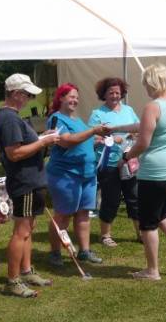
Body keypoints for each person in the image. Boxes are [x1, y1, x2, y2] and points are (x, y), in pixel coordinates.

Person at [115, 64, 166, 280]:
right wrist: (115, 129)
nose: (145, 88)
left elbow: (142, 142)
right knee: (162, 213)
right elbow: (143, 126)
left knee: (148, 222)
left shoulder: (153, 106)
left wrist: (126, 157)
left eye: (145, 84)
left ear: (151, 83)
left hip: (156, 173)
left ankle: (152, 270)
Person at [0, 73, 60, 298]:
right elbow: (14, 153)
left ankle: (26, 271)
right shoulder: (9, 119)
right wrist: (43, 142)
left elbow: (23, 144)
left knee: (28, 229)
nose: (30, 99)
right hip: (25, 181)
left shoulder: (12, 117)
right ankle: (13, 281)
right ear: (15, 94)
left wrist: (41, 137)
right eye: (27, 95)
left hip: (32, 180)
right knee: (21, 232)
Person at [45, 83, 109, 267]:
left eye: (77, 97)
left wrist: (98, 140)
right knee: (63, 215)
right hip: (66, 175)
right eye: (71, 97)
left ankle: (84, 251)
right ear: (61, 98)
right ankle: (55, 253)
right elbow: (67, 141)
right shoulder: (56, 119)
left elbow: (83, 141)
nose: (75, 100)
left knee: (83, 213)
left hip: (87, 174)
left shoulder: (78, 120)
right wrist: (93, 130)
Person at [88, 77, 140, 247]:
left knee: (134, 197)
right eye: (111, 93)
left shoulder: (129, 110)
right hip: (108, 164)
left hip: (128, 162)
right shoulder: (97, 114)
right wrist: (109, 139)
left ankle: (141, 233)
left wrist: (134, 135)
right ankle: (105, 235)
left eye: (118, 93)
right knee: (111, 199)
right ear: (104, 94)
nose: (115, 96)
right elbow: (91, 138)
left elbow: (138, 128)